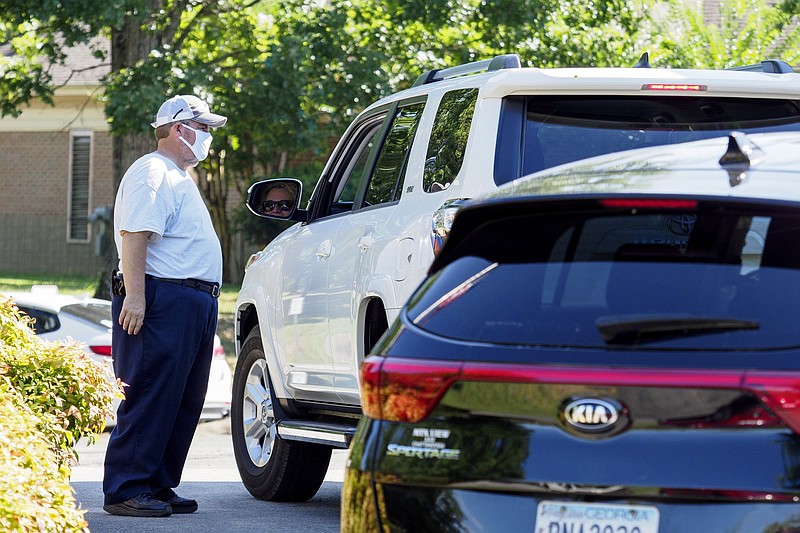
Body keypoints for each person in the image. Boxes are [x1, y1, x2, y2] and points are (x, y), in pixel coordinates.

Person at [102, 94, 227, 517]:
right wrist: (135, 297)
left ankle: (156, 483)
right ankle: (126, 488)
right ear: (179, 128)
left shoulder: (176, 176)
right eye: (204, 127)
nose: (209, 136)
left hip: (191, 301)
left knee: (183, 397)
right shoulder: (152, 171)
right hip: (162, 299)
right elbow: (135, 234)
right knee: (152, 392)